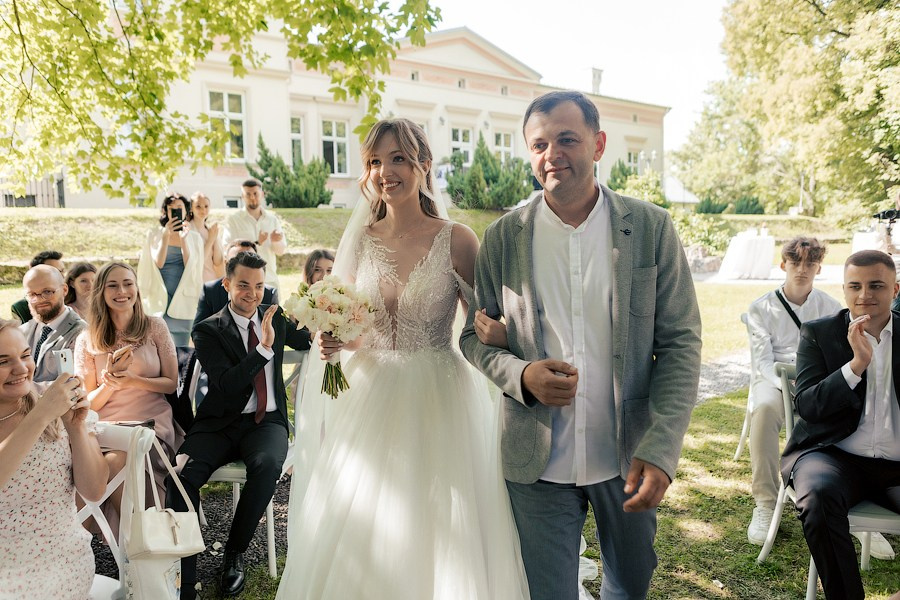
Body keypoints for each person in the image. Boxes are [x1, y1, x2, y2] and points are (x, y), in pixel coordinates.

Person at [460, 90, 702, 600]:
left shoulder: (652, 228)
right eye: (540, 144)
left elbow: (681, 344)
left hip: (629, 456)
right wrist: (520, 375)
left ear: (599, 143)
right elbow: (471, 338)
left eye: (567, 139)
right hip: (536, 462)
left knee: (630, 586)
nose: (553, 154)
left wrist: (662, 448)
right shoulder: (502, 238)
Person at [276, 118, 529, 600]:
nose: (384, 171)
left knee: (437, 517)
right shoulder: (361, 240)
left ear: (424, 165)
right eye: (374, 161)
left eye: (398, 159)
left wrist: (497, 331)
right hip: (367, 396)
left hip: (438, 394)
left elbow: (482, 325)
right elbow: (350, 328)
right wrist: (333, 341)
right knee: (364, 518)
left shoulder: (457, 239)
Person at [168, 251, 310, 599]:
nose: (252, 293)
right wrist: (262, 351)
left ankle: (235, 553)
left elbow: (307, 340)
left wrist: (323, 316)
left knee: (267, 465)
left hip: (266, 423)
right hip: (218, 425)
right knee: (182, 476)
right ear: (227, 284)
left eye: (259, 286)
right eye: (244, 285)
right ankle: (184, 569)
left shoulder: (274, 318)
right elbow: (228, 383)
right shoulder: (208, 329)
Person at [782, 249, 900, 600]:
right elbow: (808, 405)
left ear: (896, 289)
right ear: (844, 290)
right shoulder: (819, 333)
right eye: (855, 286)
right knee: (817, 496)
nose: (864, 296)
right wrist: (856, 366)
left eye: (876, 285)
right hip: (832, 454)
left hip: (897, 464)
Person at [744, 238, 846, 544]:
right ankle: (764, 501)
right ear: (783, 265)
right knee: (764, 409)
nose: (802, 270)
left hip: (813, 381)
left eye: (810, 263)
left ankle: (851, 503)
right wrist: (787, 388)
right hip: (775, 380)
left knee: (847, 407)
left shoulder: (830, 306)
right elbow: (762, 363)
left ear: (819, 267)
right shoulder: (761, 307)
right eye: (796, 262)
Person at [0, 319, 108, 599]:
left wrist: (76, 428)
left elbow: (94, 490)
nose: (21, 369)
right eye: (3, 361)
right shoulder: (46, 410)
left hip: (57, 561)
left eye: (25, 355)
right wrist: (41, 415)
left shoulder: (54, 403)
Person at [75, 261, 183, 535]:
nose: (121, 291)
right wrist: (111, 383)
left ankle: (133, 540)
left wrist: (133, 380)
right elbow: (89, 404)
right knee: (91, 466)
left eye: (127, 284)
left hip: (151, 423)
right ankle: (119, 542)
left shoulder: (155, 327)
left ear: (136, 288)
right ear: (101, 292)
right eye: (112, 285)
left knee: (114, 462)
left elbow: (170, 384)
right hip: (105, 426)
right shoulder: (87, 339)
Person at [137, 193, 204, 346]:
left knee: (181, 349)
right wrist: (166, 237)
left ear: (186, 211)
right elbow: (158, 263)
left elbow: (191, 267)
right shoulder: (155, 234)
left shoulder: (194, 237)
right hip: (160, 298)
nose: (175, 211)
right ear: (166, 211)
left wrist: (184, 240)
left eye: (179, 208)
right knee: (158, 346)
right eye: (171, 208)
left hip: (183, 299)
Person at [19, 264, 86, 384]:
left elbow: (71, 384)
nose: (40, 299)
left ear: (64, 290)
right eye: (32, 294)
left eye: (47, 292)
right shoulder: (21, 331)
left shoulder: (82, 333)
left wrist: (16, 388)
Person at [193, 240, 279, 325]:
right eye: (237, 260)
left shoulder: (269, 294)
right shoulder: (210, 290)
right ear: (226, 263)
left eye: (250, 259)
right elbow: (198, 330)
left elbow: (278, 331)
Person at [223, 179, 286, 293]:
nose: (252, 197)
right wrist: (257, 243)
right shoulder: (233, 220)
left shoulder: (272, 219)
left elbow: (280, 251)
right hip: (243, 283)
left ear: (262, 194)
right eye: (248, 194)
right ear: (242, 196)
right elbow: (227, 249)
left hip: (270, 280)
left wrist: (275, 241)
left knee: (273, 311)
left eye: (255, 194)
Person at [10, 250, 65, 324]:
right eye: (53, 271)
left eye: (62, 271)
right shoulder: (21, 308)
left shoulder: (74, 300)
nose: (62, 276)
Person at [188, 191, 225, 282]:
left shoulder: (210, 230)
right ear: (191, 208)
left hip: (211, 279)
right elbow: (198, 261)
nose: (203, 210)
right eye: (198, 206)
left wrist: (215, 238)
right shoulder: (188, 230)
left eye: (206, 206)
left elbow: (217, 261)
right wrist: (210, 240)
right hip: (195, 280)